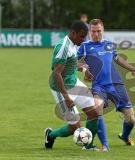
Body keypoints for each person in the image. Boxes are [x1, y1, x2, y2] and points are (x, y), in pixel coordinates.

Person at [77, 19, 135, 150]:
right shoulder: (85, 46)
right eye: (93, 31)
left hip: (116, 85)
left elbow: (117, 58)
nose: (96, 34)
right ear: (89, 32)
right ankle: (103, 145)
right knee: (96, 109)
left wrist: (131, 68)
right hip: (99, 86)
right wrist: (84, 69)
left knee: (131, 119)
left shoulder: (109, 45)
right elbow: (73, 62)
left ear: (103, 31)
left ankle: (125, 136)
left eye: (99, 31)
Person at [45, 20, 99, 151]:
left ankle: (88, 146)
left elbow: (71, 64)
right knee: (74, 128)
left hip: (74, 82)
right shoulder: (63, 47)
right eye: (81, 36)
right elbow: (57, 73)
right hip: (61, 88)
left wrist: (84, 70)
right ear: (73, 33)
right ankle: (50, 135)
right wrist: (67, 98)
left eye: (84, 37)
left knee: (94, 113)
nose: (83, 39)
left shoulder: (74, 44)